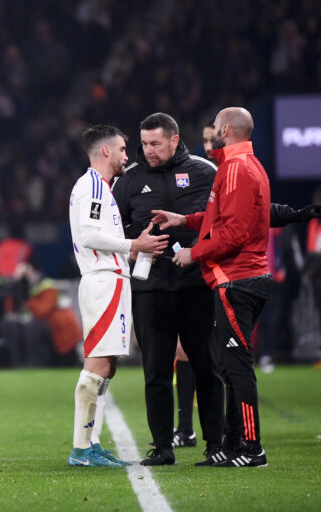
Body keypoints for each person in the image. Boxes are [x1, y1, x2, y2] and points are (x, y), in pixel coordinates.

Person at [153, 107, 274, 467]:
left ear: (226, 130)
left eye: (217, 130)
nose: (213, 136)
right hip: (241, 278)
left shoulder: (236, 169)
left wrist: (193, 253)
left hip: (237, 279)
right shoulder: (246, 166)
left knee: (236, 366)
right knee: (229, 365)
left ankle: (252, 448)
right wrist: (184, 220)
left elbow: (233, 233)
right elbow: (220, 218)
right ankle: (232, 445)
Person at [111, 112, 224, 466]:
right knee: (156, 371)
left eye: (155, 143)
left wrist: (200, 251)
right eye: (144, 143)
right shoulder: (128, 181)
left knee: (206, 366)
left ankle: (215, 444)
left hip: (195, 286)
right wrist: (134, 245)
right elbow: (113, 231)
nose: (148, 150)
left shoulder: (205, 173)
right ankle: (162, 447)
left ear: (174, 140)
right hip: (151, 288)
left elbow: (223, 223)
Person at [67, 125, 169, 467]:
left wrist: (133, 250)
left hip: (112, 279)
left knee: (107, 365)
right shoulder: (94, 186)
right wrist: (132, 244)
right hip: (103, 282)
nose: (128, 156)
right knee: (98, 363)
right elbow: (88, 235)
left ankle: (92, 443)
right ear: (106, 151)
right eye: (123, 149)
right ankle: (81, 449)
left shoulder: (101, 188)